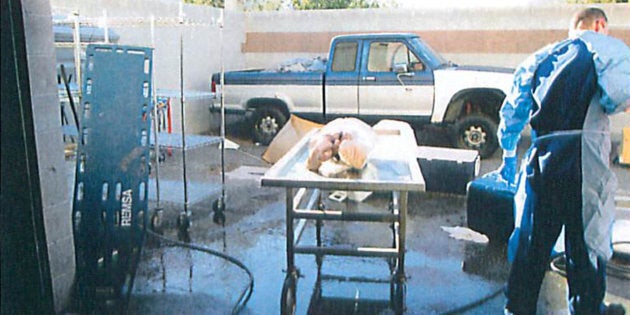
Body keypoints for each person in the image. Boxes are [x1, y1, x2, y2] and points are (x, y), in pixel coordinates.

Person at [496, 7, 630, 315]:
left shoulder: (541, 56)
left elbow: (513, 110)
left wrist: (507, 153)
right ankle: (586, 308)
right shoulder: (607, 48)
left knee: (532, 241)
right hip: (585, 158)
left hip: (542, 159)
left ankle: (517, 308)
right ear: (599, 24)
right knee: (585, 244)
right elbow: (618, 96)